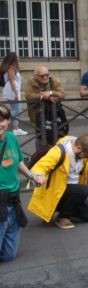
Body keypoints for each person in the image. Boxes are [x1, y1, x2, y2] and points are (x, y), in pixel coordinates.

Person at [28, 134, 88, 230]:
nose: (86, 158)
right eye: (85, 155)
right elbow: (42, 165)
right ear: (79, 147)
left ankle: (62, 209)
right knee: (83, 190)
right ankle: (63, 217)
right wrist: (38, 176)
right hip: (57, 190)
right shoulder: (58, 152)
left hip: (72, 191)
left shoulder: (85, 154)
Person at [0, 105, 40, 261]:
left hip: (13, 198)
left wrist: (32, 176)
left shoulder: (11, 138)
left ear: (8, 121)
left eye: (2, 120)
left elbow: (17, 162)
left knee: (8, 255)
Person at [25, 66, 67, 147]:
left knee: (56, 137)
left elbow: (63, 94)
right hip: (37, 114)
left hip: (53, 115)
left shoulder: (54, 81)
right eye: (42, 76)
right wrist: (44, 96)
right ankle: (40, 157)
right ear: (36, 76)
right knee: (40, 138)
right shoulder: (30, 82)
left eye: (47, 75)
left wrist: (51, 93)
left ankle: (56, 155)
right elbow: (28, 96)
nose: (45, 77)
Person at [0, 52, 27, 136]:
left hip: (12, 90)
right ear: (14, 59)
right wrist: (16, 93)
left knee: (16, 109)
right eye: (17, 56)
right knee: (18, 110)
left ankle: (16, 128)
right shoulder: (11, 68)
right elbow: (12, 81)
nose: (19, 58)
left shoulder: (11, 67)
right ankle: (3, 116)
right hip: (11, 91)